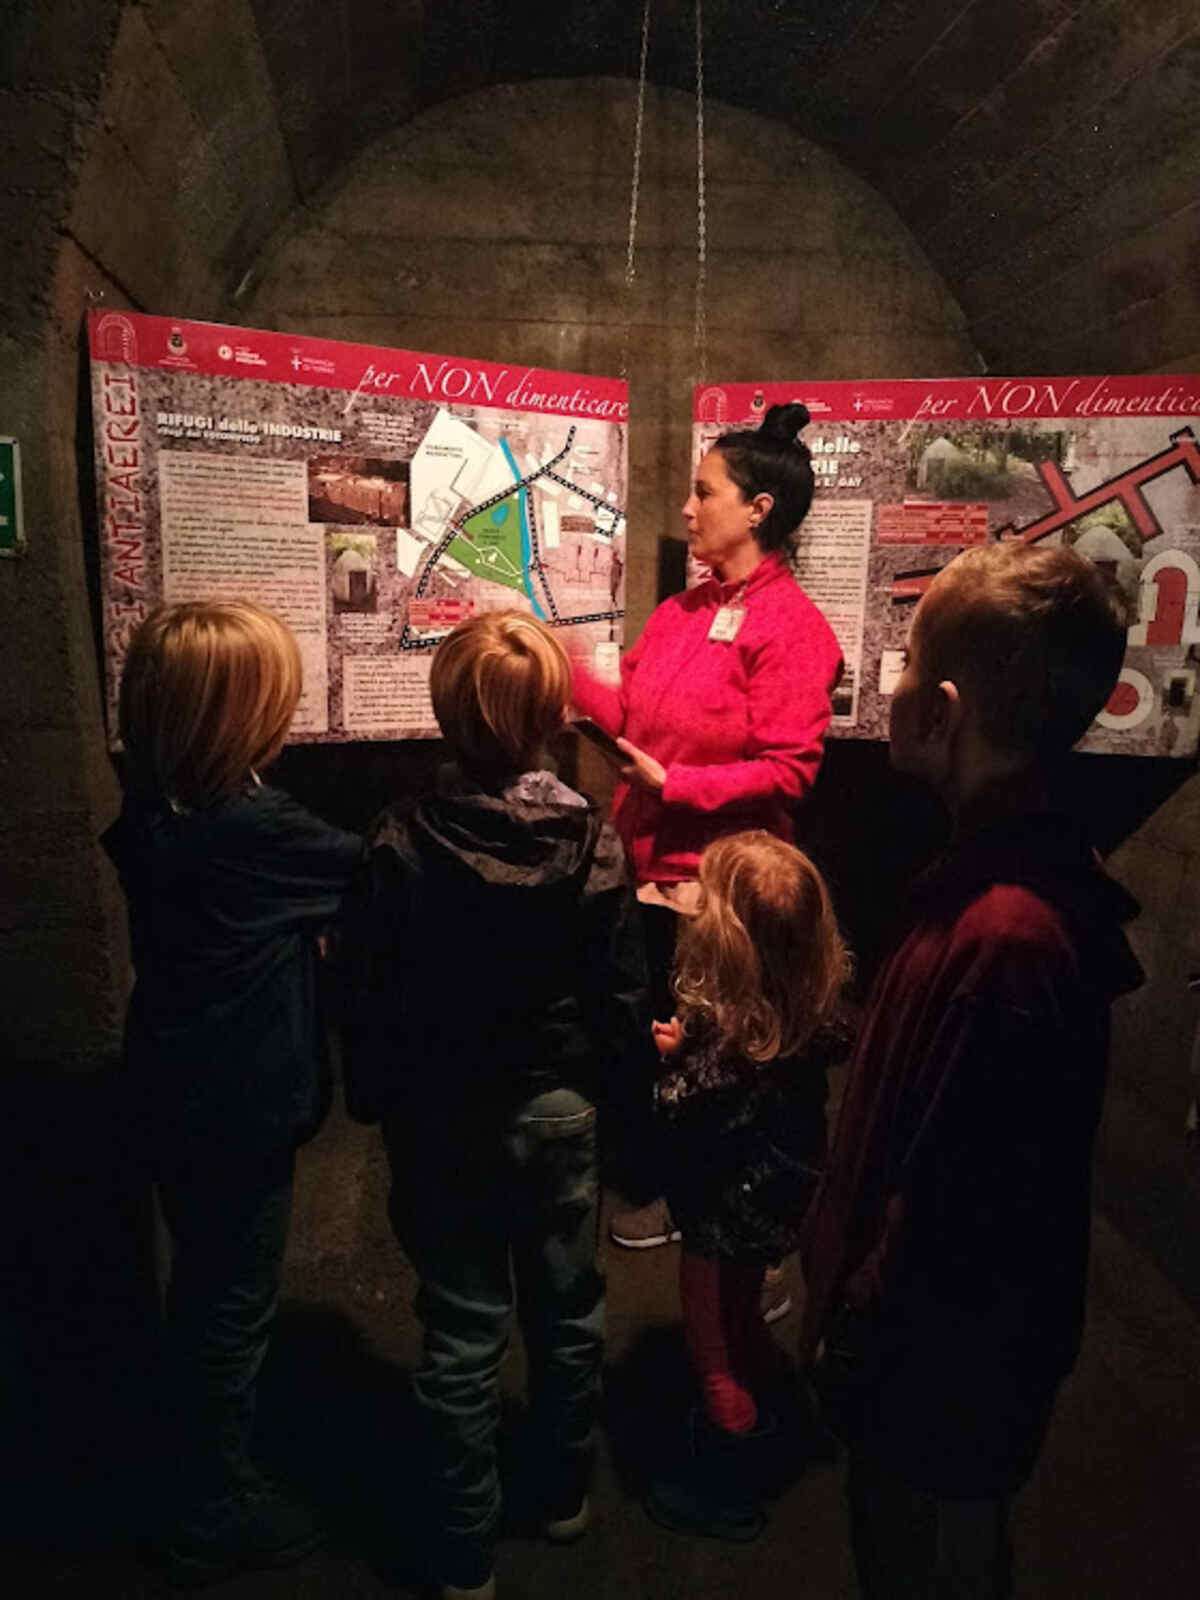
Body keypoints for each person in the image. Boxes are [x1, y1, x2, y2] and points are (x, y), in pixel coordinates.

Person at [798, 543, 1144, 1599]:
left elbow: (954, 1206)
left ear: (943, 712)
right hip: (941, 1373)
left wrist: (849, 1329)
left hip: (941, 1389)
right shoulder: (996, 886)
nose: (890, 686)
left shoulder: (1005, 936)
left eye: (903, 666)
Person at [341, 611, 646, 1600]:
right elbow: (621, 995)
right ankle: (562, 1494)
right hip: (558, 1104)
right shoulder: (592, 841)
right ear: (552, 715)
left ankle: (463, 1546)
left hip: (440, 1110)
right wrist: (631, 1110)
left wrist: (376, 1096)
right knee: (566, 1310)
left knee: (462, 1329)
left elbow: (370, 990)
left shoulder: (398, 837)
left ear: (445, 709)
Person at [102, 601, 362, 1586]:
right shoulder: (254, 825)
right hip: (238, 1097)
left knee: (203, 1280)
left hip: (172, 1074)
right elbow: (384, 877)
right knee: (232, 1305)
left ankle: (189, 1464)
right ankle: (210, 1505)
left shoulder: (161, 800)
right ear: (232, 716)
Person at [571, 401, 843, 1260]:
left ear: (757, 510)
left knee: (720, 1060)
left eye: (703, 494)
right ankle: (666, 1184)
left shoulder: (793, 629)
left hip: (718, 888)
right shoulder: (685, 612)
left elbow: (790, 768)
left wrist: (678, 783)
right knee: (663, 1036)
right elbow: (631, 713)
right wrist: (559, 668)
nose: (686, 511)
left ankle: (717, 1220)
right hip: (649, 864)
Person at [641, 831, 849, 1542]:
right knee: (744, 1308)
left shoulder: (729, 1040)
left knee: (709, 1339)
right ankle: (773, 1392)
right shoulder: (812, 1010)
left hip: (721, 1212)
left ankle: (728, 1479)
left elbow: (676, 1108)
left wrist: (675, 1059)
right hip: (782, 1196)